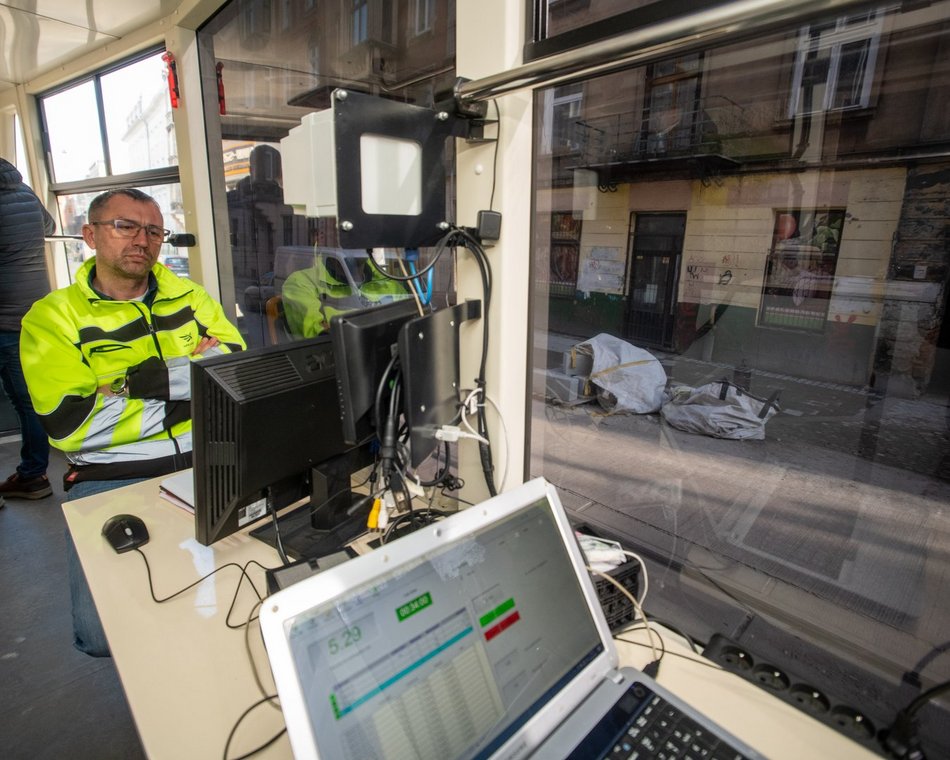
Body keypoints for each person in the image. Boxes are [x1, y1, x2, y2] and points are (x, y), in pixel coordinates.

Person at [20, 187, 246, 656]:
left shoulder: (190, 296)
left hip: (206, 455)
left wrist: (128, 387)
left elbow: (236, 370)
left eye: (153, 230)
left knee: (248, 580)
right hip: (113, 474)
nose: (141, 240)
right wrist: (193, 385)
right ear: (90, 234)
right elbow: (71, 424)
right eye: (125, 226)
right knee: (102, 636)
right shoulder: (53, 318)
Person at [0, 158, 56, 501]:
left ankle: (32, 475)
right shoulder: (24, 191)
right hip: (33, 315)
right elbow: (47, 227)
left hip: (3, 317)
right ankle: (34, 475)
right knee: (29, 403)